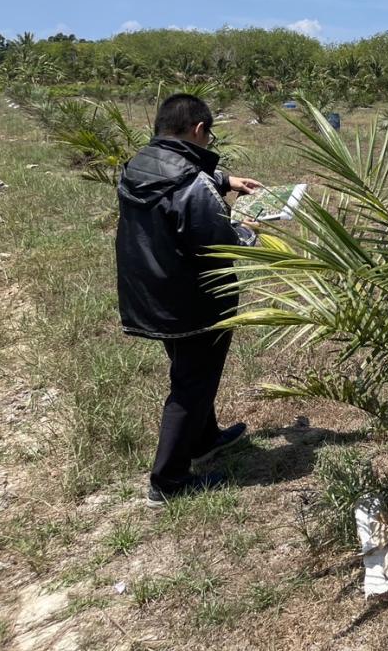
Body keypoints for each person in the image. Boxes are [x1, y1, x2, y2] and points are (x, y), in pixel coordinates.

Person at [115, 93, 262, 507]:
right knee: (192, 383)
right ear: (198, 130)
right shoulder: (192, 184)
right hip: (193, 300)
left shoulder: (136, 166)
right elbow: (222, 245)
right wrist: (250, 229)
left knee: (189, 370)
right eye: (208, 134)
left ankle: (204, 439)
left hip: (153, 294)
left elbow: (171, 182)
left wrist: (225, 181)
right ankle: (168, 481)